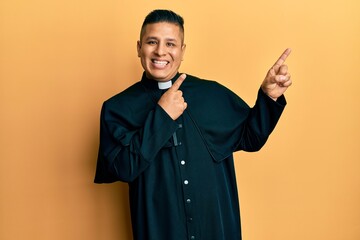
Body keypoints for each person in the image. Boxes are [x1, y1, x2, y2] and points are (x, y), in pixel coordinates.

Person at [94, 9, 292, 240]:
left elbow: (251, 137)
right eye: (152, 42)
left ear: (182, 50)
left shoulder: (212, 94)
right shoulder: (117, 108)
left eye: (170, 44)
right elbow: (123, 168)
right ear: (139, 47)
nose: (161, 51)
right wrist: (162, 116)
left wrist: (269, 97)